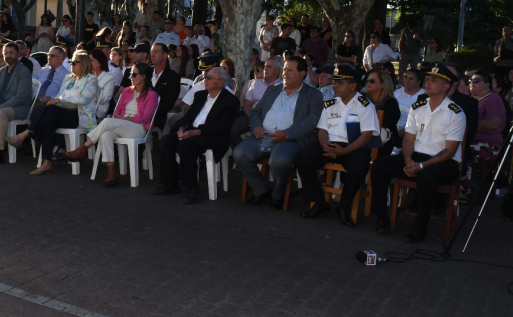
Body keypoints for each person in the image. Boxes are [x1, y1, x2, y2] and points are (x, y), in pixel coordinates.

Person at [369, 63, 466, 239]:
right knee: (379, 165)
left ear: (446, 86)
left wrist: (421, 166)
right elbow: (408, 138)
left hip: (444, 162)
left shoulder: (455, 113)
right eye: (427, 79)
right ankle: (381, 217)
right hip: (415, 157)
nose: (428, 82)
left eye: (434, 80)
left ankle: (420, 227)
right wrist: (408, 160)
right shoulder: (417, 107)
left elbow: (450, 151)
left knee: (427, 176)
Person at [233, 56, 323, 207]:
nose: (285, 73)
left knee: (279, 160)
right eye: (284, 69)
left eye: (290, 70)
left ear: (302, 74)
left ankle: (277, 194)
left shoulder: (313, 95)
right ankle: (261, 188)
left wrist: (287, 134)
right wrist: (256, 127)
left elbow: (311, 121)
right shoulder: (273, 89)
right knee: (239, 153)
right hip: (264, 136)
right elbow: (256, 112)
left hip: (291, 139)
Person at [297, 65, 380, 225]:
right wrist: (324, 144)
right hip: (330, 144)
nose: (335, 85)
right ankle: (319, 202)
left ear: (353, 85)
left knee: (358, 168)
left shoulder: (365, 106)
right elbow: (322, 130)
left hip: (354, 147)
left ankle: (343, 207)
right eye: (334, 82)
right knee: (303, 159)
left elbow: (366, 137)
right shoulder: (330, 104)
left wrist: (345, 151)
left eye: (340, 83)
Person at [153, 66, 240, 204]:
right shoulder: (200, 95)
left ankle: (192, 188)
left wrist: (196, 132)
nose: (205, 80)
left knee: (185, 145)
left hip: (213, 136)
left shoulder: (230, 101)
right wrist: (182, 128)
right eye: (205, 77)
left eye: (209, 78)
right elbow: (189, 116)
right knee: (166, 141)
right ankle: (170, 183)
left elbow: (221, 127)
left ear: (219, 83)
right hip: (192, 132)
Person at [64, 62, 159, 186]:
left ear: (144, 76)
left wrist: (125, 119)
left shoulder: (151, 94)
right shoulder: (127, 91)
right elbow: (117, 112)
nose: (131, 77)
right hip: (122, 125)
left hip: (139, 128)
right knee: (105, 135)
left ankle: (83, 148)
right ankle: (112, 173)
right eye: (131, 74)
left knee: (107, 121)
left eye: (134, 74)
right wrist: (120, 119)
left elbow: (145, 117)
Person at [7, 51, 100, 173]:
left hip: (79, 116)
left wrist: (59, 100)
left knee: (50, 111)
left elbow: (83, 99)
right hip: (63, 113)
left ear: (84, 64)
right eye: (71, 62)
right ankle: (47, 162)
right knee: (48, 123)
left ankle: (24, 135)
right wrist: (53, 99)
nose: (71, 64)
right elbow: (60, 96)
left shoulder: (91, 79)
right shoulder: (68, 78)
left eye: (74, 62)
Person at [463, 69, 507, 198]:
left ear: (487, 84)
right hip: (466, 140)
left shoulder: (494, 99)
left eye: (476, 80)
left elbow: (493, 124)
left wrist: (466, 124)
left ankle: (462, 191)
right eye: (470, 80)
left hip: (489, 145)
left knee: (460, 153)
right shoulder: (467, 98)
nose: (472, 82)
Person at [365, 69, 401, 156]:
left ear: (383, 85)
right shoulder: (363, 100)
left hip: (385, 143)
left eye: (372, 81)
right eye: (367, 81)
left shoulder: (391, 103)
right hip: (365, 140)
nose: (368, 83)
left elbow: (386, 124)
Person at [150, 43, 182, 132]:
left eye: (156, 52)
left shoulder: (173, 77)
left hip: (156, 119)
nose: (152, 55)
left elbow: (168, 104)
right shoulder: (146, 73)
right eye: (152, 52)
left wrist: (148, 111)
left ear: (165, 55)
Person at [32, 46, 69, 116]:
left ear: (61, 58)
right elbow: (33, 83)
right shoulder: (43, 70)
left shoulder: (67, 75)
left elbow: (65, 94)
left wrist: (51, 97)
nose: (49, 58)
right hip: (33, 99)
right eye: (48, 55)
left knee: (37, 108)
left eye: (52, 56)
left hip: (49, 103)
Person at [89, 49, 115, 119]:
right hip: (83, 107)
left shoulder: (109, 78)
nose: (89, 63)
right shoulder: (87, 75)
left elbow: (106, 98)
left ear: (100, 62)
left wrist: (93, 89)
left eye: (92, 60)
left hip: (97, 111)